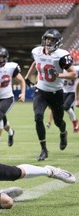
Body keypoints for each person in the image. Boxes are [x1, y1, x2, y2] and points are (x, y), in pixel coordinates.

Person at [25, 29, 77, 161]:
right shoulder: (37, 51)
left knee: (59, 121)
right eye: (47, 39)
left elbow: (73, 74)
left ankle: (63, 132)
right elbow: (35, 62)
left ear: (58, 42)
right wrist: (27, 77)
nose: (49, 41)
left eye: (52, 40)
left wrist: (59, 74)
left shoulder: (62, 55)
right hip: (41, 91)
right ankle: (43, 150)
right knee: (38, 117)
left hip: (56, 92)